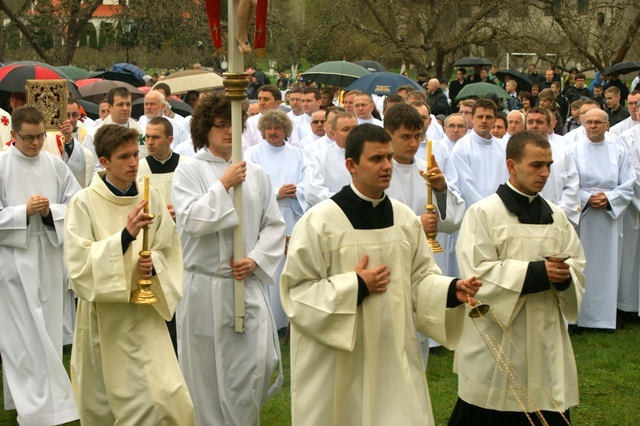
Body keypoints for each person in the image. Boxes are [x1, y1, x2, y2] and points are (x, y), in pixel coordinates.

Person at [280, 123, 481, 425]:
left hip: (392, 346)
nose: (387, 166)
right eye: (376, 159)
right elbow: (296, 292)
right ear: (351, 165)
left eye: (388, 157)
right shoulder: (320, 222)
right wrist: (356, 285)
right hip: (340, 357)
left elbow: (420, 278)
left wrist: (451, 290)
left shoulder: (403, 219)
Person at [449, 130, 586, 425]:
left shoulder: (556, 216)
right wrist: (537, 272)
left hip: (545, 332)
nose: (545, 172)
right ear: (512, 166)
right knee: (492, 408)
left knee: (546, 401)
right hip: (499, 336)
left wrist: (564, 277)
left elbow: (577, 263)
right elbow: (476, 272)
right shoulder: (483, 213)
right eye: (536, 165)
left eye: (548, 164)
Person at [64, 124, 194, 424]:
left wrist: (155, 265)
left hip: (146, 314)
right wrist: (126, 235)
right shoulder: (83, 202)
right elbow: (78, 265)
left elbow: (168, 248)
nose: (134, 163)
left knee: (170, 398)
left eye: (137, 154)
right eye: (124, 157)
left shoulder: (151, 197)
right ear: (105, 162)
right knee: (114, 404)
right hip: (105, 320)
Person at [172, 93, 285, 425]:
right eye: (220, 125)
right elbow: (192, 221)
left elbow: (274, 224)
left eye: (235, 125)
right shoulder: (189, 170)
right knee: (206, 372)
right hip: (205, 286)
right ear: (204, 129)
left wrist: (255, 260)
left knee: (257, 364)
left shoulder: (257, 174)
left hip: (245, 281)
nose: (228, 132)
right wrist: (223, 185)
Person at [0, 106, 80, 425]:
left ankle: (52, 403)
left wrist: (49, 214)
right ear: (14, 135)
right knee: (20, 337)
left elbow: (76, 203)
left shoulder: (55, 164)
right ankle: (31, 405)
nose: (35, 144)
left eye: (40, 137)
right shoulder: (2, 166)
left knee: (47, 329)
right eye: (28, 138)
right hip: (13, 261)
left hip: (48, 255)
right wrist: (23, 212)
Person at [569, 108, 635, 331]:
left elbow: (628, 184)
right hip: (584, 218)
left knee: (607, 266)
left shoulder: (618, 151)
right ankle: (579, 316)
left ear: (607, 125)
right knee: (581, 264)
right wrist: (586, 198)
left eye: (598, 122)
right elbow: (568, 184)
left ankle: (604, 318)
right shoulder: (573, 150)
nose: (593, 126)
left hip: (608, 220)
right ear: (583, 124)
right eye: (589, 122)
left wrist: (608, 198)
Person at [245, 109, 310, 332]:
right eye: (269, 128)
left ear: (286, 130)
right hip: (265, 218)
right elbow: (248, 186)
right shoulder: (253, 154)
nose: (273, 132)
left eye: (278, 128)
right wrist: (276, 192)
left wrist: (297, 191)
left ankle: (289, 318)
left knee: (289, 266)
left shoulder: (299, 154)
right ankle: (269, 318)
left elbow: (308, 182)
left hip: (292, 215)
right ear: (263, 131)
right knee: (269, 266)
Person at [450, 98, 509, 207]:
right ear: (472, 119)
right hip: (476, 211)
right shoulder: (462, 148)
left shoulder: (504, 147)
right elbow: (466, 187)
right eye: (480, 116)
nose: (484, 121)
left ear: (495, 119)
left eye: (489, 117)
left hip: (502, 208)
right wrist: (487, 209)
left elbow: (507, 179)